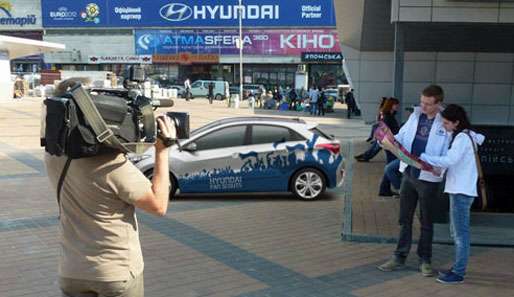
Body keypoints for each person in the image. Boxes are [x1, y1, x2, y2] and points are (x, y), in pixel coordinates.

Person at [45, 116, 177, 297]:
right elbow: (159, 205)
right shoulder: (112, 166)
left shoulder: (53, 156)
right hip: (114, 273)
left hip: (72, 271)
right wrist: (162, 151)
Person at [378, 85, 450, 277]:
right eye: (422, 102)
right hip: (408, 173)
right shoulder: (415, 116)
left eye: (428, 104)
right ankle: (399, 256)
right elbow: (401, 137)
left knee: (427, 221)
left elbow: (447, 152)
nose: (423, 106)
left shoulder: (446, 123)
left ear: (438, 103)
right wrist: (387, 139)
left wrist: (434, 165)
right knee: (404, 218)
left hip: (429, 178)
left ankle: (425, 260)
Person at [420, 104, 485, 284]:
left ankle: (458, 272)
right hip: (462, 189)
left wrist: (425, 157)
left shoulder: (462, 138)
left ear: (457, 123)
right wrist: (439, 171)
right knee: (458, 232)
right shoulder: (468, 136)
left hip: (460, 191)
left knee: (460, 234)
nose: (444, 126)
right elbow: (458, 163)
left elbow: (451, 160)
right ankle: (457, 268)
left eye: (447, 123)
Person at [355, 98, 400, 163]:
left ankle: (365, 156)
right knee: (376, 148)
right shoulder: (387, 116)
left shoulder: (390, 114)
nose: (397, 106)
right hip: (387, 137)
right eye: (395, 104)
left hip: (386, 137)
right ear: (391, 105)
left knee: (375, 148)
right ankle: (365, 156)